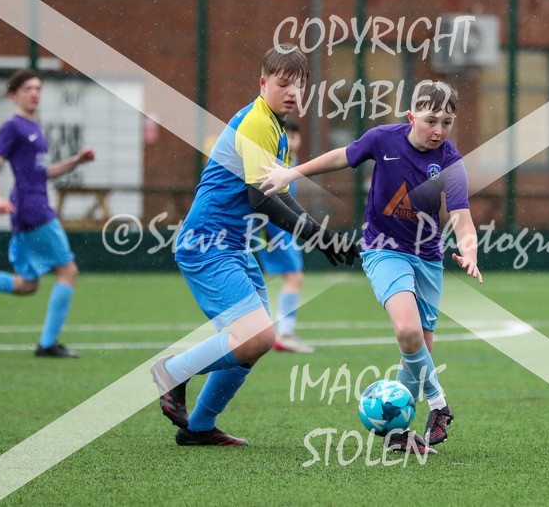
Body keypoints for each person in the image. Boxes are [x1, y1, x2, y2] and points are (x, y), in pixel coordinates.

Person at [150, 43, 359, 447]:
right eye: (283, 84)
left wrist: (319, 233)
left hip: (234, 246)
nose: (292, 93)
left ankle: (198, 428)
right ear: (263, 83)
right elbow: (261, 199)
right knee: (257, 337)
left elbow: (279, 192)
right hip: (207, 244)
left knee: (253, 345)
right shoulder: (257, 122)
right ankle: (171, 372)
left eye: (299, 86)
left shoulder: (276, 128)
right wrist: (318, 236)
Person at [259, 80, 483, 455]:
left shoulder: (450, 161)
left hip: (428, 259)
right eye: (431, 121)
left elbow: (462, 216)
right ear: (412, 117)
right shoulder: (383, 139)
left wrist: (470, 250)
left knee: (418, 349)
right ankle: (440, 405)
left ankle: (399, 435)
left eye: (447, 122)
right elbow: (340, 156)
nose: (439, 130)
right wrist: (290, 174)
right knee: (408, 330)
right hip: (383, 251)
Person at [0, 69, 95, 358]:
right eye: (28, 88)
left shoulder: (34, 128)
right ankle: (48, 344)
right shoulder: (13, 126)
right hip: (32, 207)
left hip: (30, 205)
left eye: (38, 88)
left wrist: (76, 161)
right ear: (14, 95)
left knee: (27, 285)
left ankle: (47, 343)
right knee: (68, 270)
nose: (35, 93)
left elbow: (42, 173)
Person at [252, 119, 314, 353]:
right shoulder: (275, 163)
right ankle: (283, 334)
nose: (291, 141)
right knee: (294, 278)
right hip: (274, 229)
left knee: (290, 278)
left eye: (295, 136)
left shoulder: (292, 162)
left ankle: (278, 332)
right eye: (286, 136)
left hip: (281, 228)